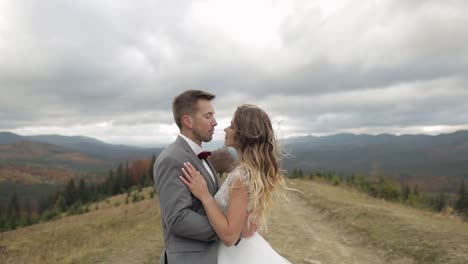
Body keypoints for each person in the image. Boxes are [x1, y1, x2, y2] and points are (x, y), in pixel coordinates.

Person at [153, 90, 255, 264]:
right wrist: (229, 230)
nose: (215, 123)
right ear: (188, 121)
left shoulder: (202, 156)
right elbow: (178, 219)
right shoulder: (171, 159)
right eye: (208, 116)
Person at [180, 104, 291, 263]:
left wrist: (204, 196)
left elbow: (230, 236)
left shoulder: (242, 176)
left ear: (244, 134)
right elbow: (243, 226)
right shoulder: (248, 171)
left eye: (232, 126)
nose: (225, 129)